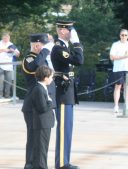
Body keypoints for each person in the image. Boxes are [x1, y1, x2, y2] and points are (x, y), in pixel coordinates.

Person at [51, 20, 84, 169]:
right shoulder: (59, 49)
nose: (72, 32)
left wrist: (75, 44)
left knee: (68, 129)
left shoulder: (64, 47)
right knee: (64, 130)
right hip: (63, 94)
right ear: (62, 31)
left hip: (68, 93)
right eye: (70, 30)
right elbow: (79, 60)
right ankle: (62, 164)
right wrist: (76, 43)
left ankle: (65, 161)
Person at [21, 33, 54, 169]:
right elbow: (36, 68)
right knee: (33, 137)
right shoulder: (29, 58)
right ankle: (30, 164)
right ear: (36, 45)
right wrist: (46, 51)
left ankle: (36, 164)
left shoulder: (39, 58)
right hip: (32, 105)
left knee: (39, 139)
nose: (45, 49)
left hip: (40, 103)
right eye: (42, 46)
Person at [30, 65, 55, 169]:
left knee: (43, 148)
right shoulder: (39, 89)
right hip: (42, 124)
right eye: (51, 77)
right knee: (41, 149)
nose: (52, 79)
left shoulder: (43, 88)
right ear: (45, 78)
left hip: (44, 123)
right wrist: (50, 102)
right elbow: (42, 108)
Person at [110, 29, 128, 114]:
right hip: (118, 69)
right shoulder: (115, 44)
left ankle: (127, 105)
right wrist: (124, 57)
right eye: (122, 35)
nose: (124, 36)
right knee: (117, 87)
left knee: (127, 87)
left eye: (125, 35)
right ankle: (116, 106)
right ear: (119, 35)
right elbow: (112, 57)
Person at [0, 32, 20, 98]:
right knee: (1, 82)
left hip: (9, 66)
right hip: (1, 65)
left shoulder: (11, 44)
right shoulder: (0, 43)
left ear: (9, 38)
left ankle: (7, 95)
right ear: (2, 37)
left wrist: (14, 51)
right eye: (4, 37)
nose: (6, 39)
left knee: (8, 82)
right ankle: (0, 96)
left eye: (7, 38)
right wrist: (4, 50)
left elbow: (18, 54)